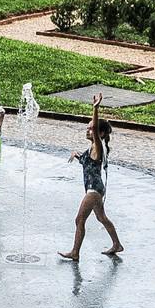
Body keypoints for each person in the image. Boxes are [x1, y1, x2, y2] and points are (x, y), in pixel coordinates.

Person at [59, 93, 124, 261]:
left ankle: (75, 252)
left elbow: (95, 129)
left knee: (79, 219)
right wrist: (78, 156)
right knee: (101, 217)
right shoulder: (93, 149)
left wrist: (95, 108)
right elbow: (89, 164)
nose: (88, 130)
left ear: (100, 133)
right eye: (87, 128)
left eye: (91, 128)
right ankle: (117, 244)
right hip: (96, 189)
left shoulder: (98, 145)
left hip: (94, 190)